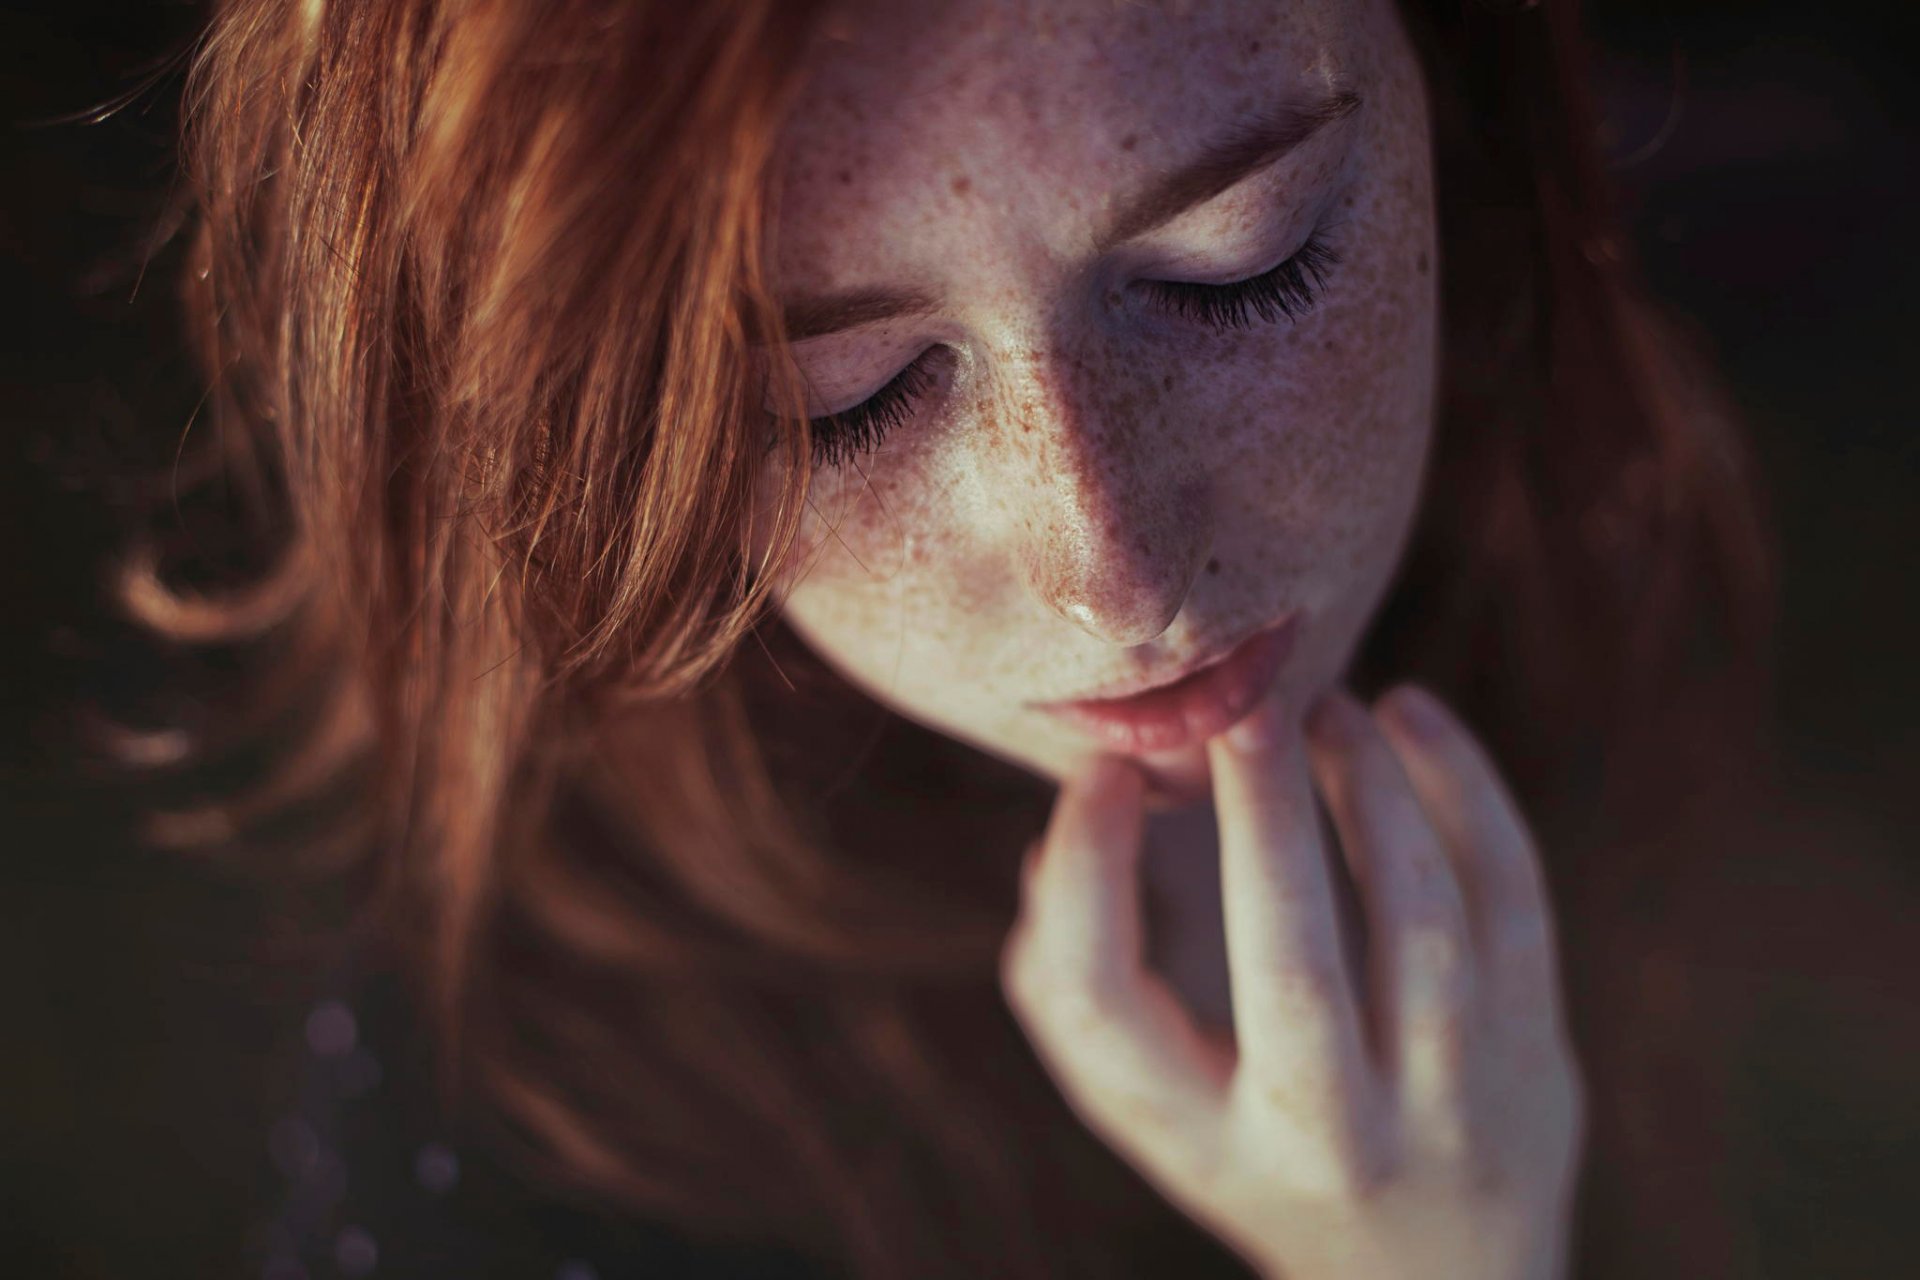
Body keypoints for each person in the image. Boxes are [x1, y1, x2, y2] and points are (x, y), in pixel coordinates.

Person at [116, 0, 1777, 1276]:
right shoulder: (509, 1176)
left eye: (1242, 266)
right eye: (840, 406)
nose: (1114, 572)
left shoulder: (1575, 551)